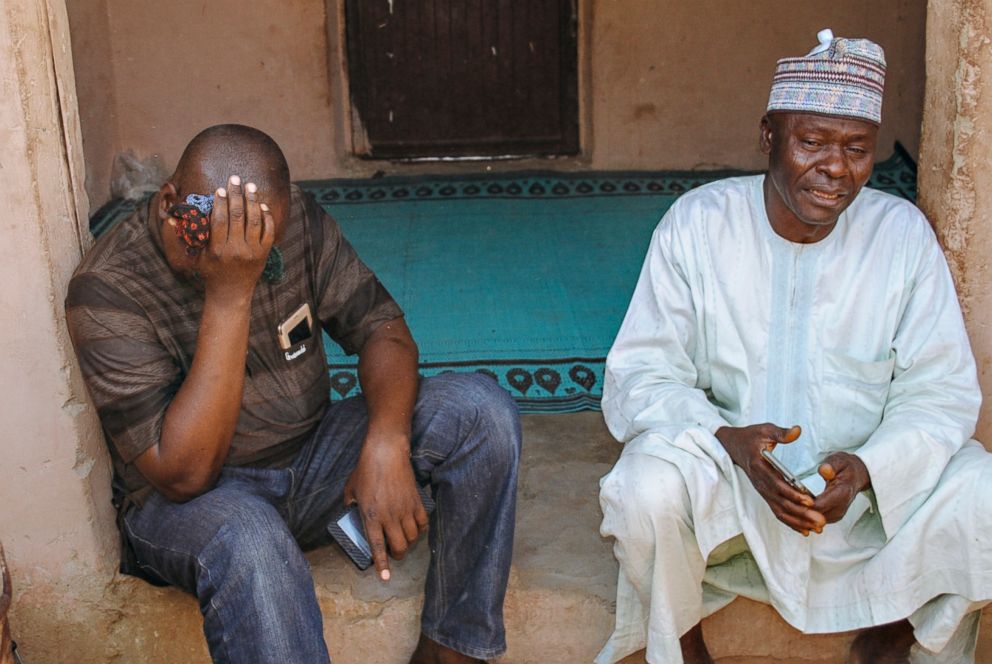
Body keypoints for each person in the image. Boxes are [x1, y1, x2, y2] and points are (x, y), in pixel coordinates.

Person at [596, 30, 992, 664]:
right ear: (768, 137)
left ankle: (904, 631)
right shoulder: (699, 224)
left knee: (985, 494)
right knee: (644, 489)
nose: (835, 168)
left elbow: (939, 391)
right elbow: (641, 373)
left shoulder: (901, 236)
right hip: (731, 495)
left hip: (866, 513)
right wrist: (728, 443)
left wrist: (869, 471)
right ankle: (684, 641)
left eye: (857, 149)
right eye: (811, 142)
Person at [65, 124, 521, 664]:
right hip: (192, 506)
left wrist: (385, 441)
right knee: (251, 538)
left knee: (481, 413)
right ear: (169, 203)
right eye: (219, 234)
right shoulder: (107, 290)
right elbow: (184, 475)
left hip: (310, 461)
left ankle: (450, 653)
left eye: (262, 244)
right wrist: (230, 293)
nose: (248, 254)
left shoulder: (291, 219)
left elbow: (382, 330)